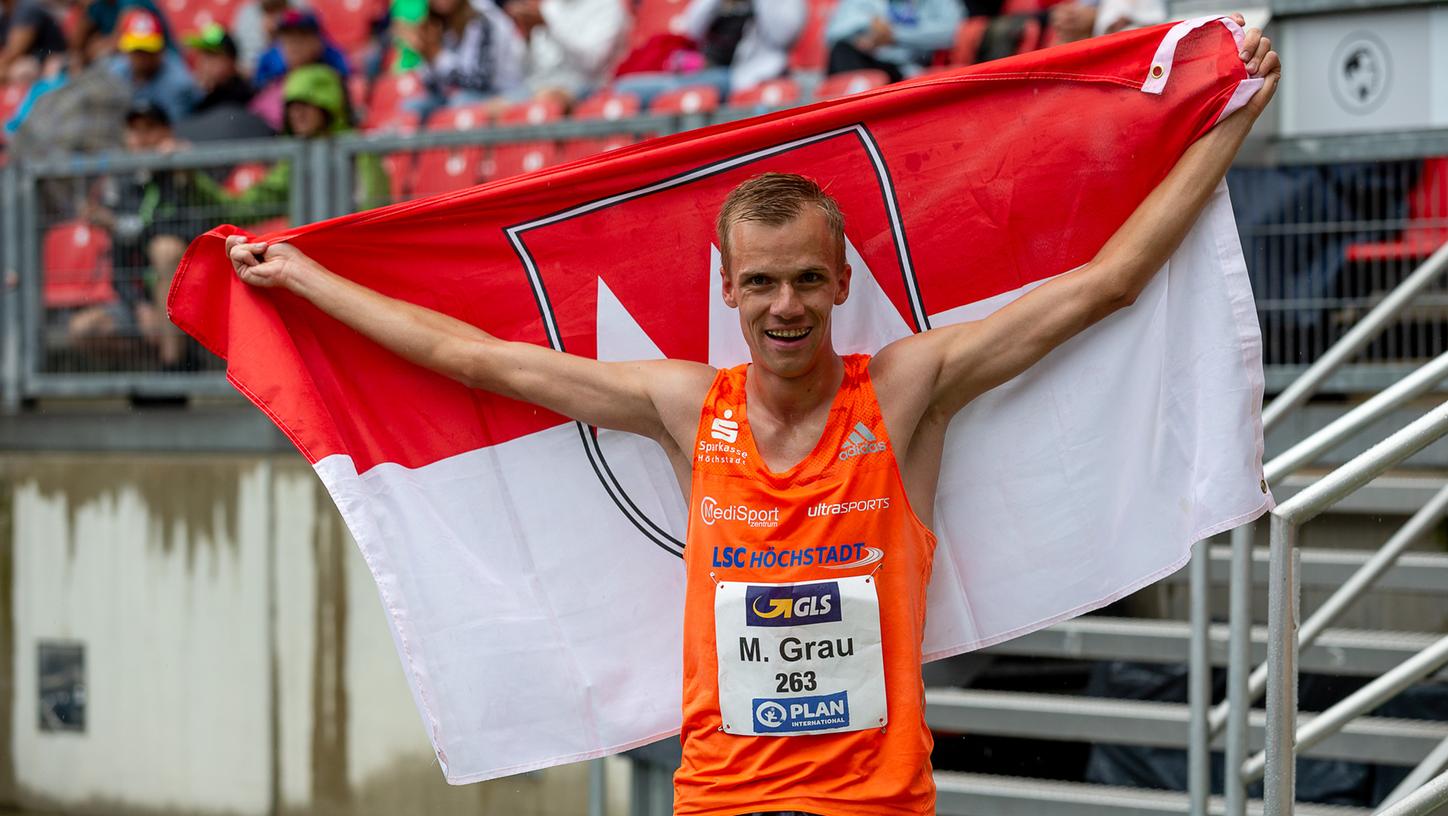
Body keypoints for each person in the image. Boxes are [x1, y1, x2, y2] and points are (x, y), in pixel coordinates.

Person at [226, 22, 1278, 815]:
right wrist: (310, 281)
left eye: (808, 281)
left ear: (835, 286)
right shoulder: (682, 404)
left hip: (874, 801)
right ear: (727, 289)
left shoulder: (904, 390)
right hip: (722, 800)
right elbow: (474, 357)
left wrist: (1226, 119)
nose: (786, 306)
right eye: (763, 283)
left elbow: (1106, 285)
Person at [72, 100, 199, 365]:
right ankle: (148, 373)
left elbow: (187, 231)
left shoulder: (184, 169)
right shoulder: (121, 181)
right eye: (134, 130)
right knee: (83, 329)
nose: (141, 138)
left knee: (164, 249)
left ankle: (173, 367)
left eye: (149, 129)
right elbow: (118, 265)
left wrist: (120, 224)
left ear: (167, 132)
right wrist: (140, 306)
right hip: (140, 297)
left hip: (189, 296)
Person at [193, 64, 390, 223]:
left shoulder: (359, 152)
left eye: (305, 104)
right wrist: (192, 178)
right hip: (307, 261)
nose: (297, 114)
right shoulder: (294, 161)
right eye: (291, 107)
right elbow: (240, 209)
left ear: (329, 105)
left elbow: (375, 214)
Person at [613, 0, 804, 106]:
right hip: (709, 70)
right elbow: (691, 29)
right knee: (628, 89)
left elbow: (785, 35)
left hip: (749, 74)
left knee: (642, 89)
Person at [411, 0, 525, 119]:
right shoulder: (437, 22)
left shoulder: (483, 18)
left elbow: (479, 81)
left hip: (502, 93)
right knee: (414, 107)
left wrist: (437, 56)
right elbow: (433, 88)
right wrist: (426, 56)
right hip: (459, 95)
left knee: (459, 103)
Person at [506, 0, 629, 108]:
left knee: (544, 102)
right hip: (538, 86)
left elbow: (591, 64)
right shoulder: (550, 6)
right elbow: (527, 71)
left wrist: (548, 25)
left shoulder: (607, 6)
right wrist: (528, 38)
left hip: (587, 87)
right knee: (494, 107)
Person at [825, 0, 961, 83]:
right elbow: (833, 33)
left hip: (909, 67)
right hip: (871, 60)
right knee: (842, 50)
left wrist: (895, 36)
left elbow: (952, 33)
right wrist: (868, 32)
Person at [108, 7, 200, 123]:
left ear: (160, 50)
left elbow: (178, 130)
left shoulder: (179, 83)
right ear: (126, 51)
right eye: (137, 50)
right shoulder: (114, 72)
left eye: (147, 50)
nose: (142, 57)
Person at [0, 0, 66, 84]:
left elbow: (15, 51)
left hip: (52, 60)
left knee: (19, 70)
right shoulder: (5, 16)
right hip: (26, 61)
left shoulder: (27, 8)